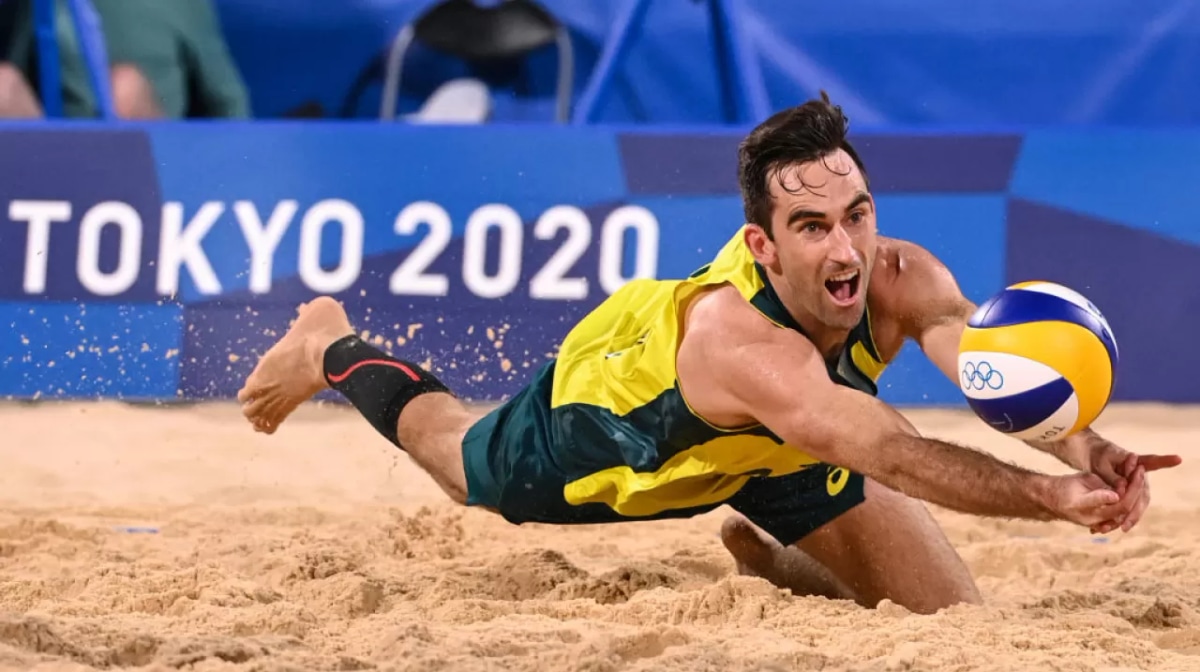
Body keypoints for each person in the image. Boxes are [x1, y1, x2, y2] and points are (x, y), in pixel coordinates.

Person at [237, 93, 1181, 615]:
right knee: (456, 459)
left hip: (788, 451)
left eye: (855, 215)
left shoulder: (899, 276)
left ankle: (768, 559)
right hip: (627, 423)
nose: (846, 249)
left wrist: (1082, 447)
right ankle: (332, 343)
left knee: (951, 617)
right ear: (764, 246)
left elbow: (995, 371)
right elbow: (890, 450)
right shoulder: (746, 343)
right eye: (811, 227)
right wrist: (1049, 500)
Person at [0, 0, 249, 119]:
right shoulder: (38, 5)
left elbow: (226, 97)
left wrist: (242, 173)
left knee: (125, 85)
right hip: (55, 147)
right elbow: (18, 74)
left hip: (149, 153)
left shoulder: (181, 5)